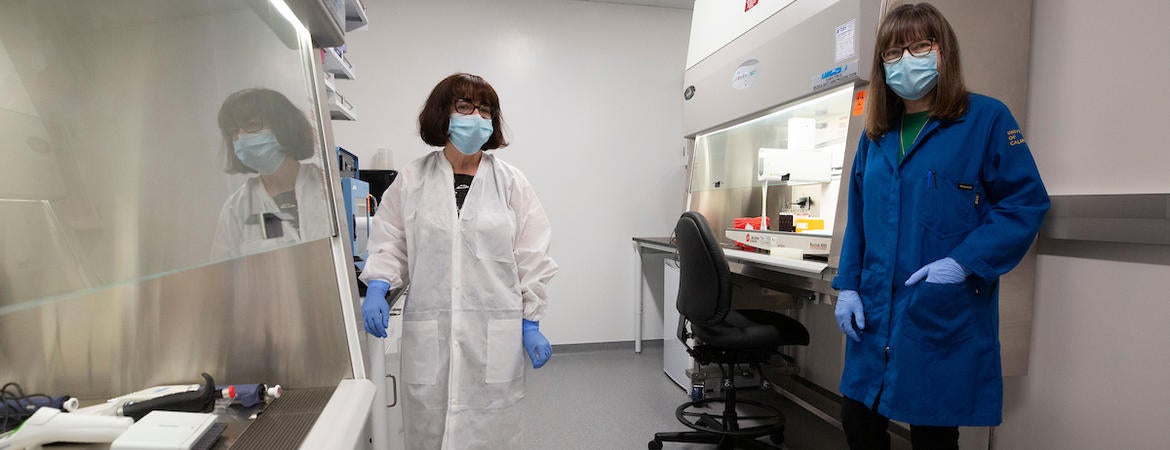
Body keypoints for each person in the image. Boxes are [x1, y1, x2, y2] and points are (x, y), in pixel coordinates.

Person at [831, 4, 1049, 449]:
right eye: (893, 53)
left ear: (942, 51)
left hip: (939, 310)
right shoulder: (876, 133)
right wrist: (848, 285)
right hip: (874, 309)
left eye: (918, 46)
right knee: (858, 420)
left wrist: (964, 261)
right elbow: (859, 217)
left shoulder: (986, 120)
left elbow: (1024, 202)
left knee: (933, 433)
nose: (905, 59)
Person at [359, 73, 558, 449]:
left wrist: (530, 322)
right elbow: (392, 239)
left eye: (485, 109)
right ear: (443, 114)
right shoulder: (413, 179)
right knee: (429, 431)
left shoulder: (511, 183)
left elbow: (533, 253)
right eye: (464, 106)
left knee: (492, 432)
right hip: (430, 336)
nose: (476, 116)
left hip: (492, 336)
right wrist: (379, 285)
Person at [212, 88, 330, 259]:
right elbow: (222, 272)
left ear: (284, 127)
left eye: (251, 125)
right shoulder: (237, 208)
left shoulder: (327, 185)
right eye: (234, 132)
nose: (241, 137)